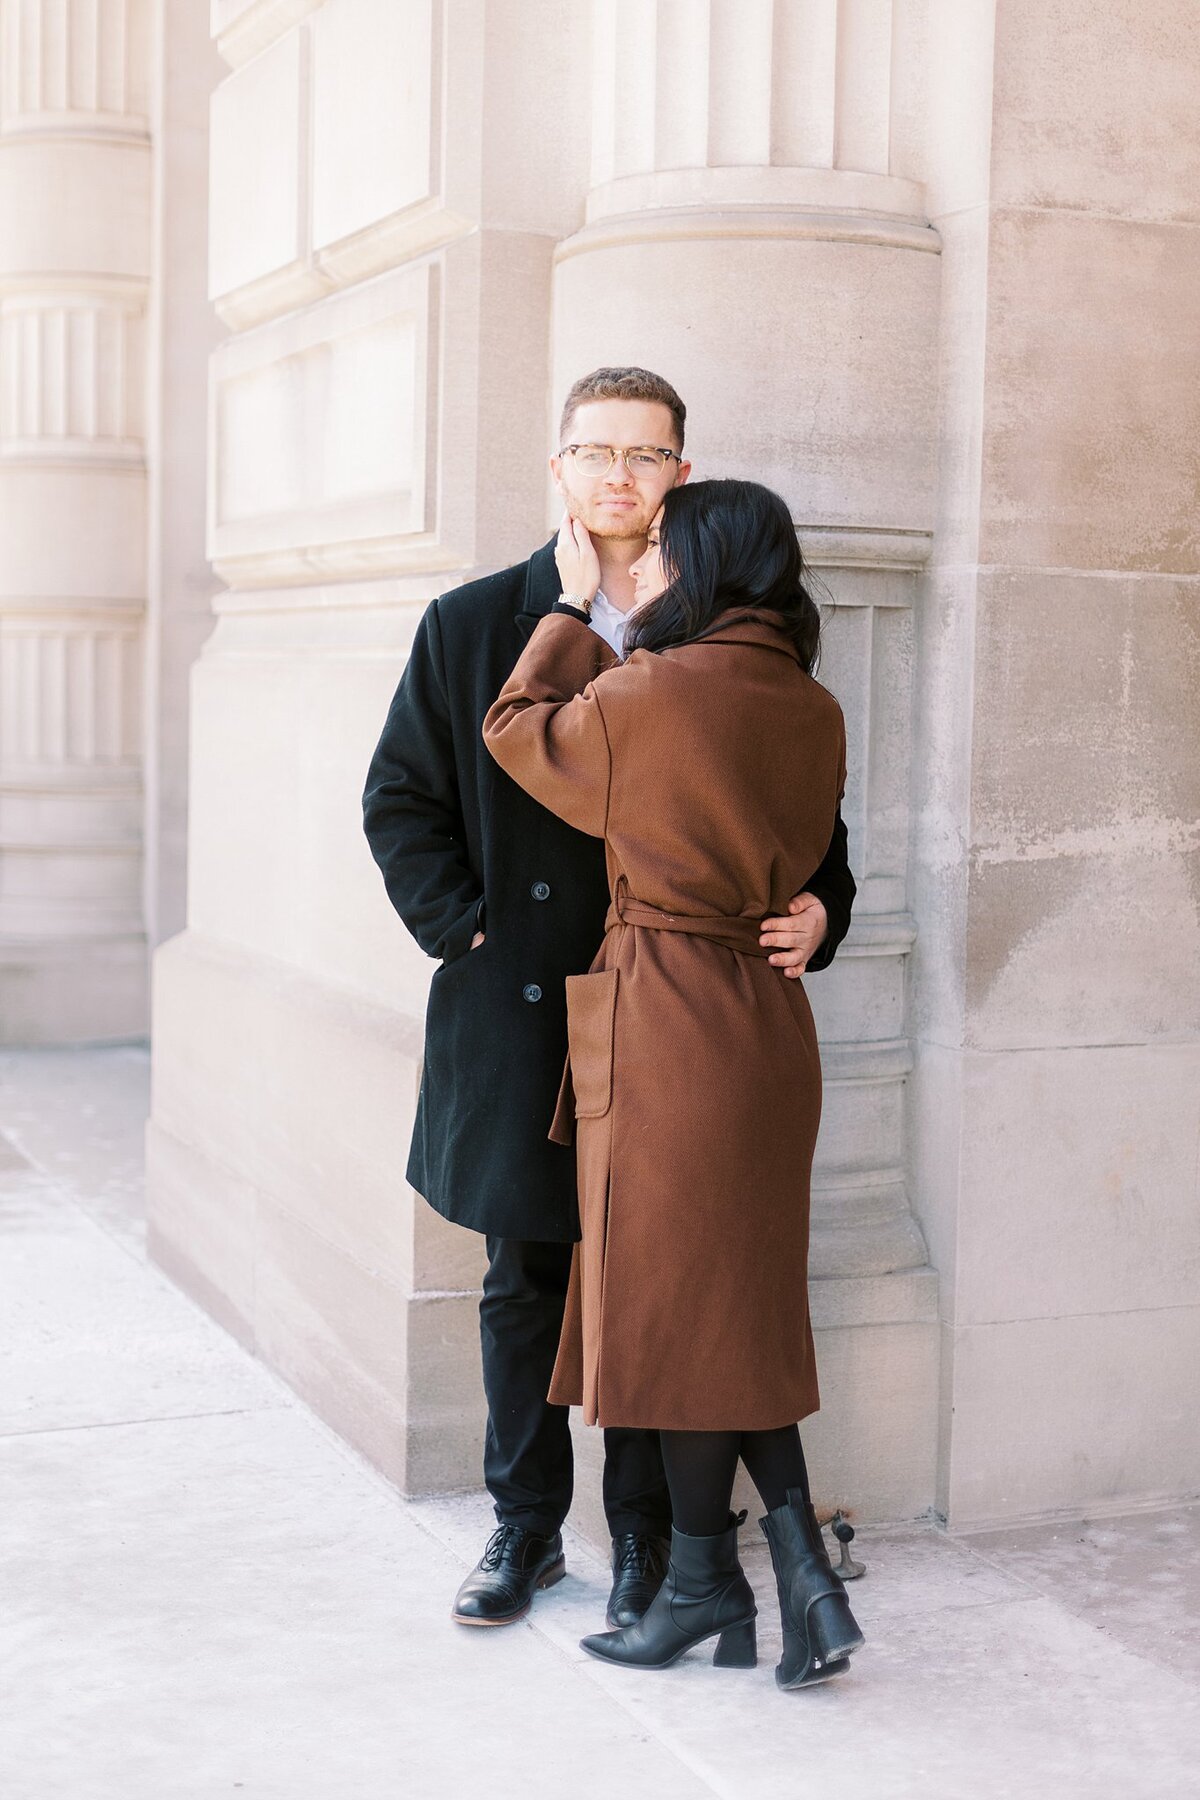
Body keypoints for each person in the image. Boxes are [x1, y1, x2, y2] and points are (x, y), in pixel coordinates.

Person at [362, 368, 856, 1633]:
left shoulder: (731, 635)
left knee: (652, 1282)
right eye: (597, 452)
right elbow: (400, 801)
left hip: (672, 1017)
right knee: (528, 1279)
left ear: (682, 475)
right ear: (559, 468)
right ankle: (523, 1530)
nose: (621, 476)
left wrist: (821, 909)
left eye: (648, 455)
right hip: (525, 1009)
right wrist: (462, 928)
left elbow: (800, 823)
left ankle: (651, 1549)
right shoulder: (478, 621)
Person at [482, 477, 865, 1690]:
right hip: (766, 1024)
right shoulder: (813, 705)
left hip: (669, 1021)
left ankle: (710, 1584)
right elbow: (800, 852)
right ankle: (784, 1576)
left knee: (684, 1312)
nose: (639, 571)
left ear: (699, 563)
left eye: (658, 555)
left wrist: (568, 611)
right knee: (730, 1303)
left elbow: (515, 729)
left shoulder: (647, 694)